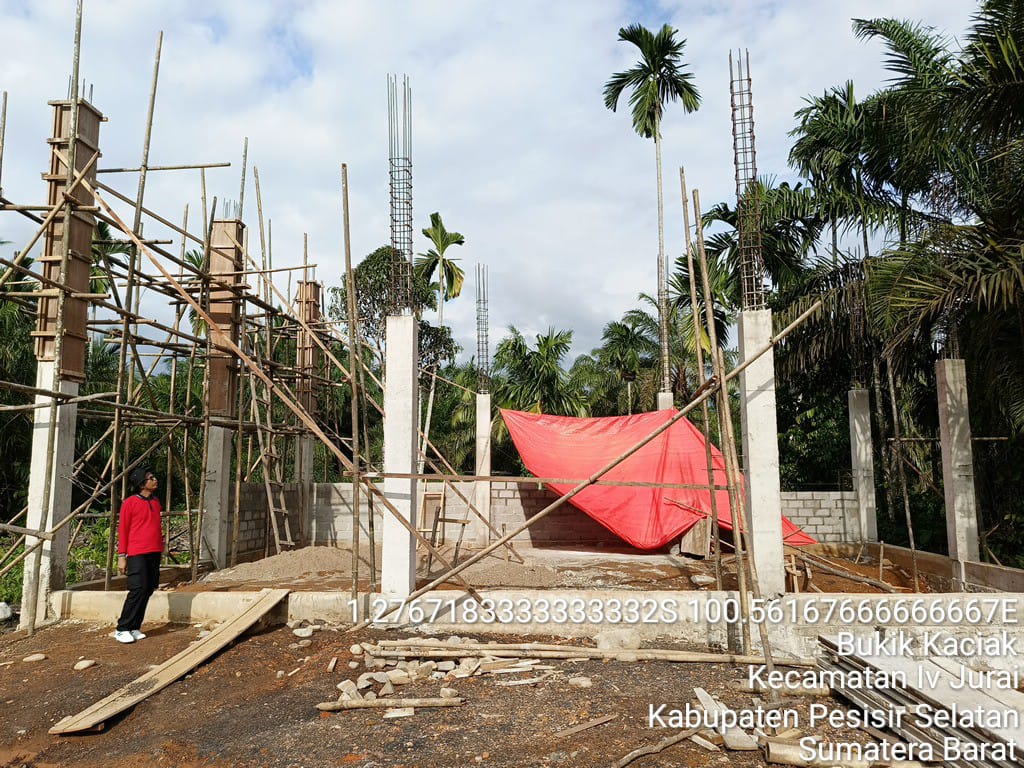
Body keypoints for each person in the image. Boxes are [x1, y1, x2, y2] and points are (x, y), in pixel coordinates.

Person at [114, 466, 164, 644]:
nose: (155, 480)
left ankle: (135, 626)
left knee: (149, 588)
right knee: (138, 589)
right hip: (137, 553)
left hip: (154, 551)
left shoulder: (156, 502)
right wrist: (122, 556)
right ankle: (122, 628)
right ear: (142, 483)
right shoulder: (130, 503)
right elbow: (123, 530)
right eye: (151, 478)